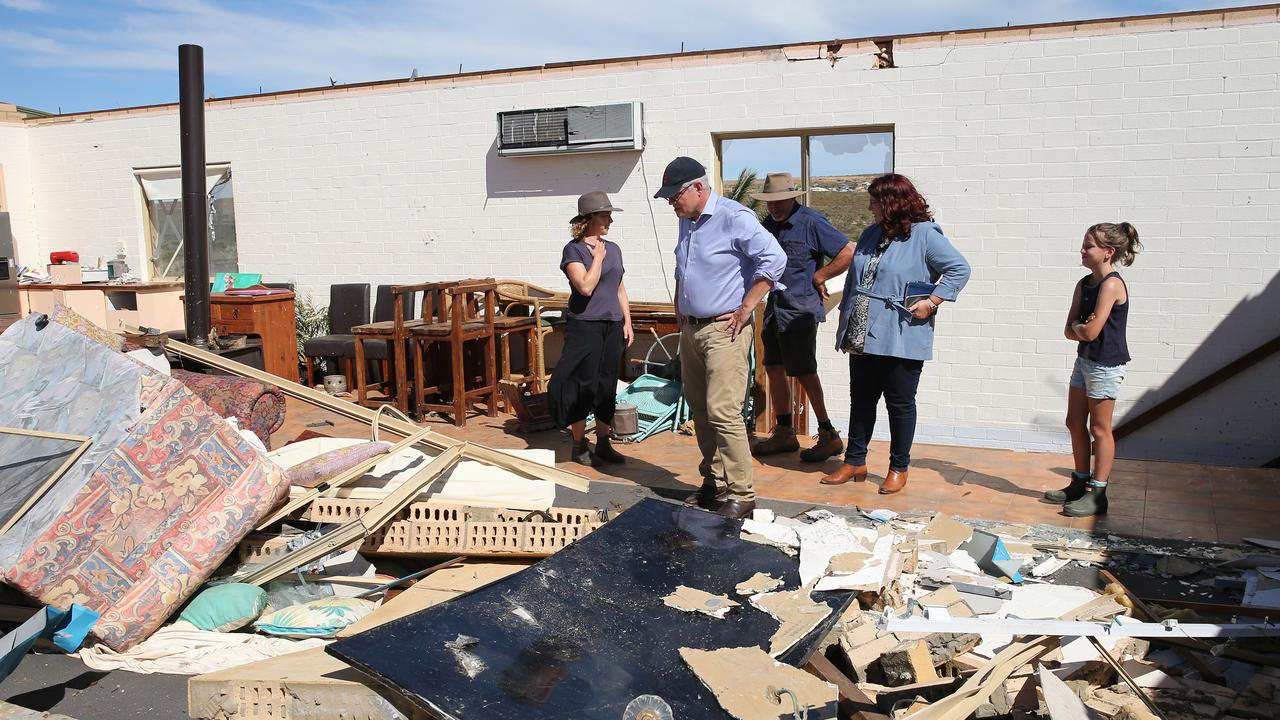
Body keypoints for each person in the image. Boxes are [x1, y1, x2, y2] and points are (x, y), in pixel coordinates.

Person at [654, 156, 786, 519]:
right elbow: (685, 265)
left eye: (675, 196)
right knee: (699, 409)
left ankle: (742, 493)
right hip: (692, 328)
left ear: (698, 187)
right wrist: (679, 301)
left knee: (723, 411)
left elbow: (773, 259)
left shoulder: (734, 217)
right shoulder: (688, 220)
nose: (671, 204)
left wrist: (747, 306)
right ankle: (714, 482)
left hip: (724, 329)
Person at [824, 174, 970, 494]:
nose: (870, 207)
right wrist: (844, 322)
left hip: (901, 331)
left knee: (899, 403)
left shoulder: (925, 235)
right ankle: (855, 461)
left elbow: (959, 268)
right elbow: (853, 281)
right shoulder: (869, 234)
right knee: (861, 400)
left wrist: (932, 302)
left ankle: (898, 467)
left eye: (875, 201)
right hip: (863, 329)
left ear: (892, 203)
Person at [748, 172, 853, 462]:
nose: (775, 207)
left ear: (793, 197)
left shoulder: (811, 221)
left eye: (780, 201)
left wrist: (821, 275)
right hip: (775, 306)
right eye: (770, 203)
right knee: (773, 366)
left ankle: (828, 434)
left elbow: (848, 253)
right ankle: (784, 432)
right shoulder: (768, 225)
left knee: (805, 371)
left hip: (800, 309)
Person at [1044, 222, 1141, 517]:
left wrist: (1081, 328)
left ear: (1108, 252)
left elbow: (1088, 331)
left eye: (1089, 246)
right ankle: (1079, 481)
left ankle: (1098, 494)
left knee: (1099, 429)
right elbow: (1071, 330)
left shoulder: (1112, 284)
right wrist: (1080, 328)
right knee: (1074, 422)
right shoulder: (1084, 284)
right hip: (1084, 362)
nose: (1083, 251)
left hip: (1105, 366)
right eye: (1084, 245)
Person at [546, 191, 633, 466]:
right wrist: (596, 258)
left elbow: (619, 286)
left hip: (612, 324)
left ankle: (604, 443)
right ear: (590, 218)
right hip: (585, 327)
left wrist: (627, 320)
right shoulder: (573, 250)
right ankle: (579, 444)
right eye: (605, 214)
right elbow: (585, 286)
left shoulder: (614, 248)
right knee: (582, 385)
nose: (610, 219)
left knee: (606, 384)